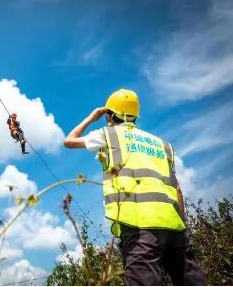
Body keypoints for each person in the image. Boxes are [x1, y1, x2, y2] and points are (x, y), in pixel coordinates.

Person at [63, 89, 206, 285]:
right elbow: (177, 189)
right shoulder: (162, 145)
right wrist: (182, 228)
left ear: (109, 115)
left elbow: (69, 141)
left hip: (140, 228)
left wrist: (90, 118)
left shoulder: (110, 134)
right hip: (175, 227)